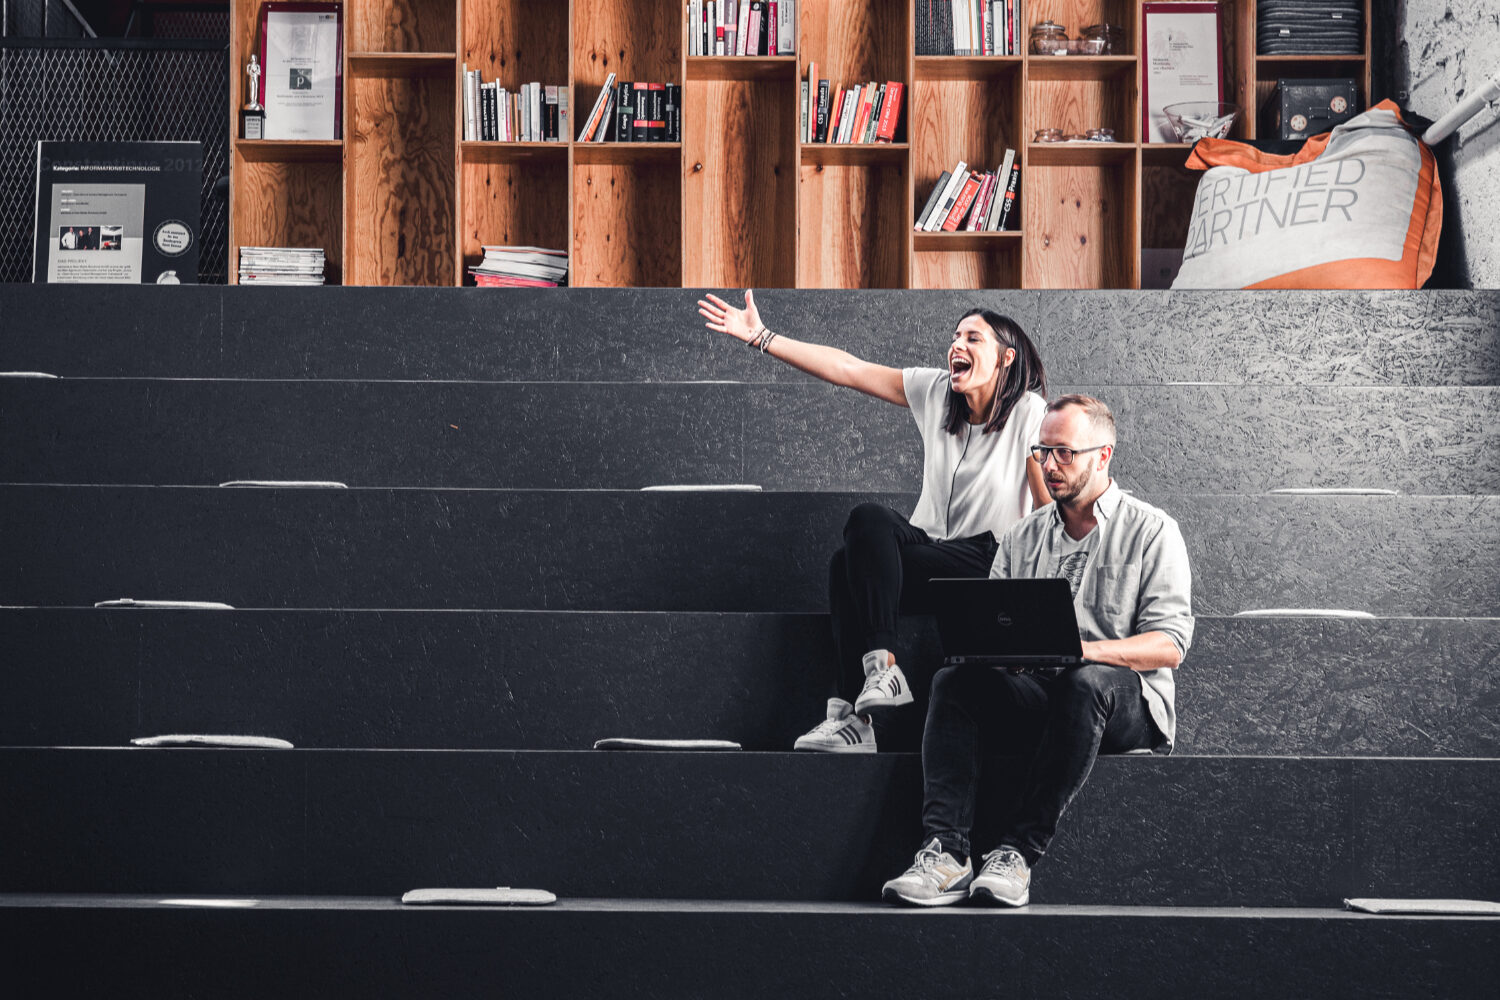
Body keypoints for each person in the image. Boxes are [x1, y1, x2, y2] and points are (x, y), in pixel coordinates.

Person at [697, 290, 1050, 753]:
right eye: (954, 336)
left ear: (1006, 357)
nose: (956, 345)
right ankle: (866, 697)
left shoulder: (1029, 412)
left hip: (986, 561)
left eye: (973, 337)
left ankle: (855, 709)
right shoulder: (937, 391)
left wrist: (1046, 587)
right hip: (929, 551)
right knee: (860, 536)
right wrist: (762, 337)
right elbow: (849, 369)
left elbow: (1047, 504)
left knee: (848, 565)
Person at [881, 394, 1194, 907]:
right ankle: (946, 853)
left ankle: (1018, 854)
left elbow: (1168, 646)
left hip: (1126, 703)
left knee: (1084, 680)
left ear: (1103, 455)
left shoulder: (1152, 530)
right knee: (954, 680)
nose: (1049, 465)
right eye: (1041, 452)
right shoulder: (1023, 537)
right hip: (1041, 692)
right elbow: (993, 629)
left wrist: (1085, 652)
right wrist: (989, 653)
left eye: (1064, 453)